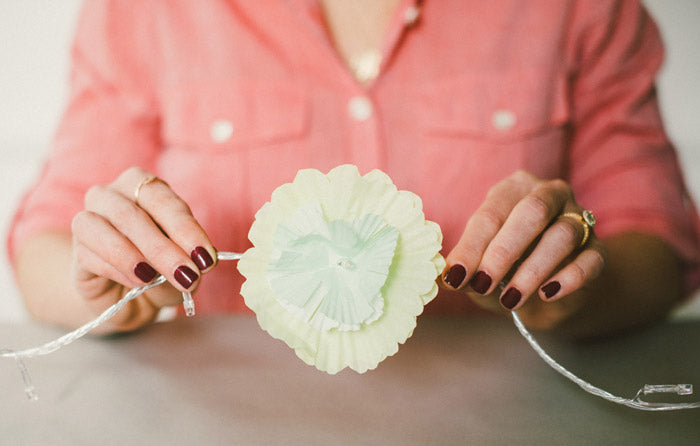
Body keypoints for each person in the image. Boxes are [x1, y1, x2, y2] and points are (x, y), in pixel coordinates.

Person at [7, 0, 700, 337]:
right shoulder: (143, 13)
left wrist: (574, 288)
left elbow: (661, 240)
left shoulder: (581, 8)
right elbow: (46, 243)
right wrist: (105, 284)